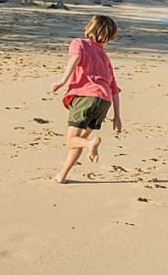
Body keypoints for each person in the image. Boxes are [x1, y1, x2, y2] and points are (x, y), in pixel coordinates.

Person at [50, 15, 122, 183]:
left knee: (71, 140)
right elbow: (114, 90)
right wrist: (117, 116)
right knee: (79, 140)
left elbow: (75, 59)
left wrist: (63, 80)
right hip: (104, 102)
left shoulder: (79, 43)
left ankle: (90, 144)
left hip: (85, 98)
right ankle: (62, 175)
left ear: (89, 28)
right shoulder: (105, 57)